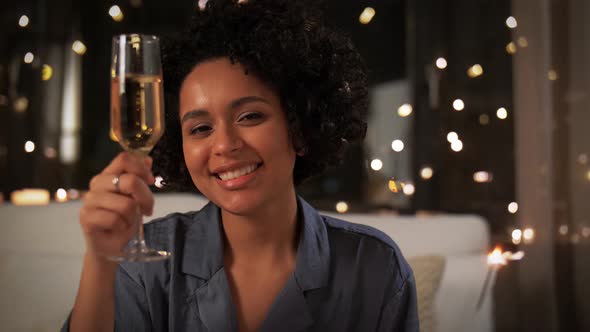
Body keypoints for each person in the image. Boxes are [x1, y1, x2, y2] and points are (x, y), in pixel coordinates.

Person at [63, 0, 419, 331]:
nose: (224, 145)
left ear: (300, 126)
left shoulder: (374, 268)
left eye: (250, 116)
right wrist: (100, 260)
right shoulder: (145, 265)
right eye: (200, 128)